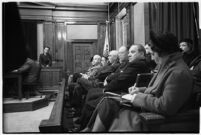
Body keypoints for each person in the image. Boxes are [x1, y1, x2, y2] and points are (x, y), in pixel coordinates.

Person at [84, 31, 194, 132]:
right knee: (107, 102)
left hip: (152, 116)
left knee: (110, 107)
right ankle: (88, 130)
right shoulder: (166, 65)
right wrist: (140, 89)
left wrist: (138, 97)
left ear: (162, 52)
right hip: (146, 107)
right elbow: (158, 89)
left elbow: (165, 106)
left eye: (152, 54)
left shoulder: (178, 73)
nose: (151, 58)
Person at [77, 44, 150, 131]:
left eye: (132, 52)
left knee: (92, 97)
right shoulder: (136, 64)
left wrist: (106, 88)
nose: (129, 54)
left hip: (122, 93)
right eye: (129, 52)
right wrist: (110, 79)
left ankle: (85, 126)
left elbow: (121, 80)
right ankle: (85, 125)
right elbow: (118, 76)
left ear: (142, 54)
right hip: (122, 91)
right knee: (91, 94)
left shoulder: (136, 64)